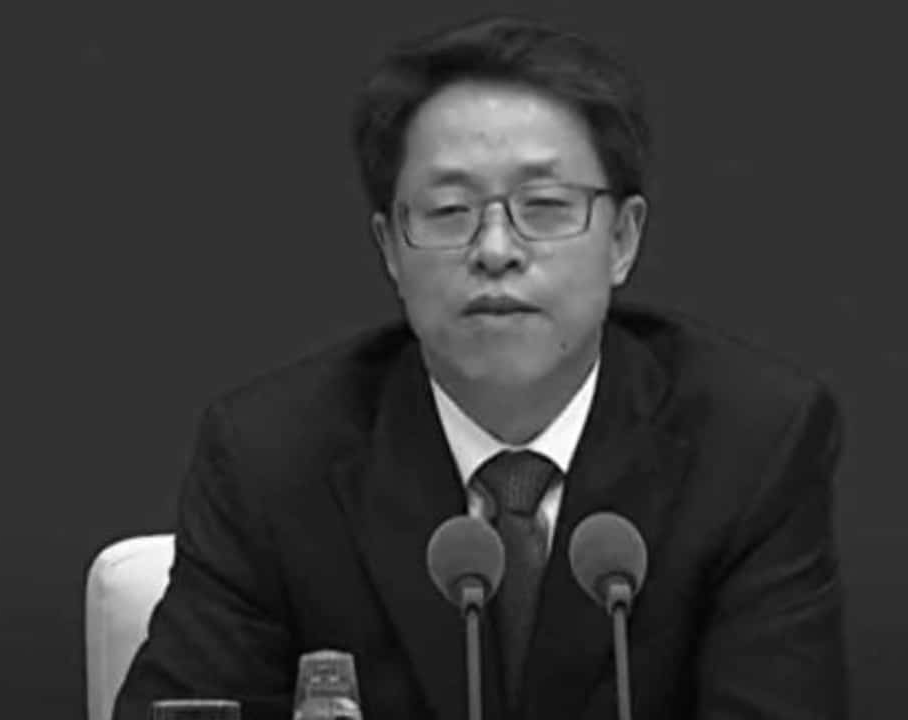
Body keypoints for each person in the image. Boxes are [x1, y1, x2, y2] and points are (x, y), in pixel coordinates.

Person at [114, 14, 848, 720]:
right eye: (449, 211)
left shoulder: (750, 445)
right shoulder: (272, 458)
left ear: (623, 240)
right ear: (390, 249)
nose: (496, 249)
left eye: (545, 205)